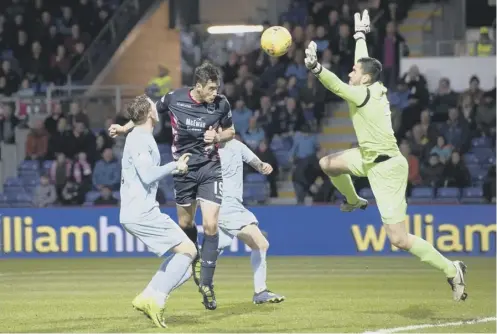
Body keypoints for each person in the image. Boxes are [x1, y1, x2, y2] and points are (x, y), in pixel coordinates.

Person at [303, 10, 467, 302]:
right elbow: (362, 64)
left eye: (355, 71)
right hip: (368, 157)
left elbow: (337, 85)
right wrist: (360, 35)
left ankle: (452, 269)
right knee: (328, 164)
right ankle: (354, 200)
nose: (350, 72)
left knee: (398, 239)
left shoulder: (362, 93)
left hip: (387, 168)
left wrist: (316, 68)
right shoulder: (371, 85)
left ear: (364, 78)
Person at [108, 62, 235, 310]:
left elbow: (231, 131)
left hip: (210, 168)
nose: (214, 92)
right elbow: (146, 112)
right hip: (183, 170)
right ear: (197, 86)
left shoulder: (222, 103)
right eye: (210, 88)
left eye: (216, 87)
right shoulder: (175, 98)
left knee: (210, 223)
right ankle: (192, 257)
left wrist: (219, 137)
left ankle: (206, 283)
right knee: (186, 224)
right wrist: (124, 127)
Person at [163, 137, 286, 304]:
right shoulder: (205, 151)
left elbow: (256, 162)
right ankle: (260, 292)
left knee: (201, 257)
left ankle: (161, 291)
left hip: (235, 206)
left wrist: (263, 167)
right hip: (224, 207)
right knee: (261, 243)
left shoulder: (237, 145)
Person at [119, 94, 195, 328]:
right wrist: (176, 166)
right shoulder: (140, 139)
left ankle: (147, 296)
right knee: (188, 252)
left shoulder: (140, 135)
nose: (157, 108)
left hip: (140, 210)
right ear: (150, 113)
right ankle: (157, 299)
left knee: (186, 265)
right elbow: (148, 174)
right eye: (154, 106)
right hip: (141, 212)